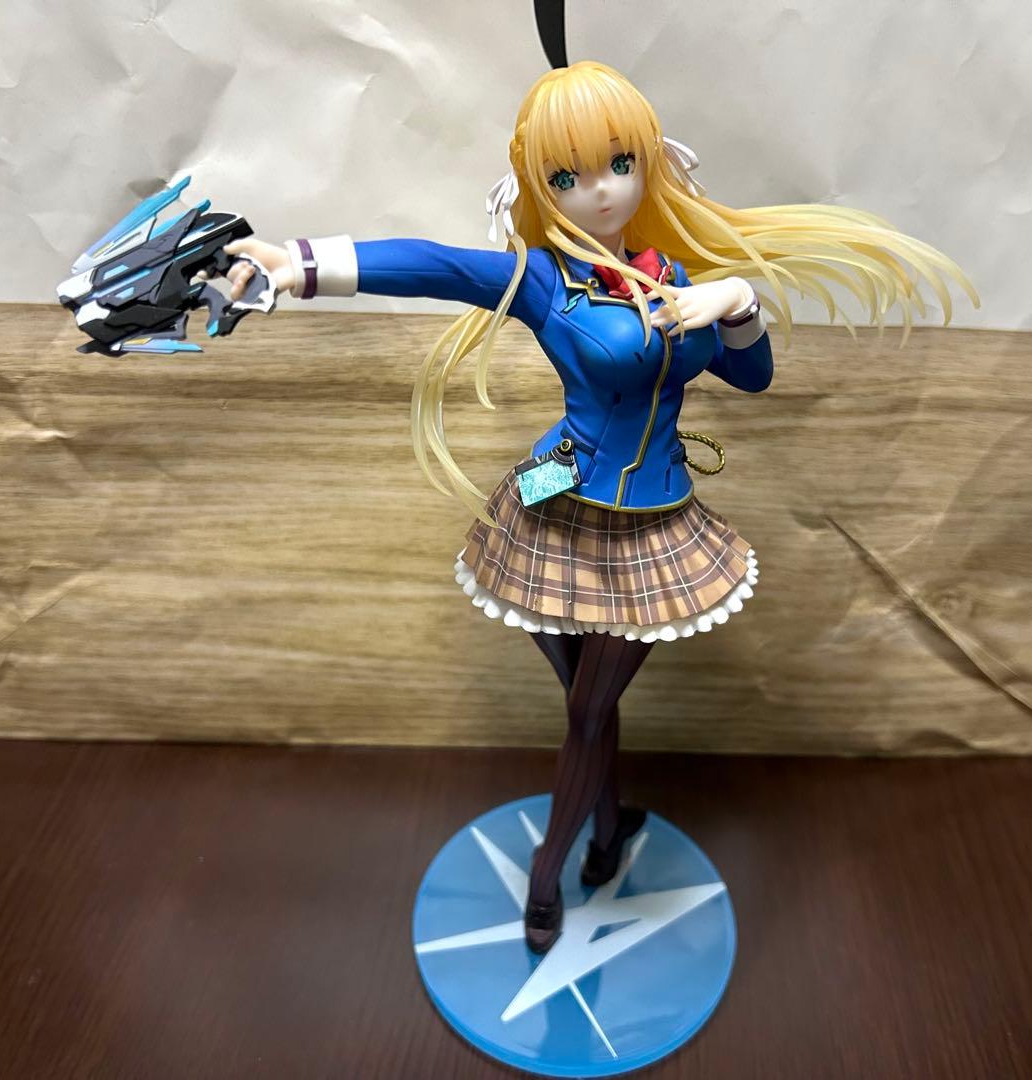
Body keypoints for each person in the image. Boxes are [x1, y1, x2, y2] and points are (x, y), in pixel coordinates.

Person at [211, 60, 979, 954]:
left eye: (618, 162)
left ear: (650, 160)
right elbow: (436, 266)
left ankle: (574, 855)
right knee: (585, 706)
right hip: (550, 495)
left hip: (652, 520)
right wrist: (298, 264)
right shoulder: (545, 281)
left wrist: (736, 301)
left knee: (590, 709)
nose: (602, 189)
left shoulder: (678, 276)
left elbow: (754, 376)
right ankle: (582, 850)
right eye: (567, 176)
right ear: (540, 188)